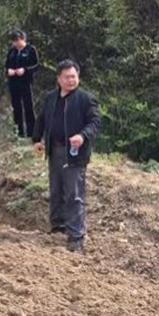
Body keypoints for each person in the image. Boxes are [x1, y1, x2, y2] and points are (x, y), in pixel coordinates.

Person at [32, 60, 101, 252]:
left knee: (74, 193)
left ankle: (76, 236)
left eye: (74, 76)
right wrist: (37, 139)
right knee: (56, 189)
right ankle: (58, 226)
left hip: (75, 153)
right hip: (54, 150)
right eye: (67, 77)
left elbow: (95, 122)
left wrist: (82, 135)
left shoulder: (86, 99)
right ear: (59, 79)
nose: (71, 80)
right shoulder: (51, 98)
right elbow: (42, 119)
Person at [5, 30, 39, 138]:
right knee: (16, 107)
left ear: (23, 39)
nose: (15, 44)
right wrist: (8, 71)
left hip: (25, 82)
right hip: (13, 82)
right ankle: (19, 132)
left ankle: (32, 133)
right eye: (13, 41)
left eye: (17, 41)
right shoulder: (12, 51)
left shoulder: (30, 50)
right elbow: (6, 65)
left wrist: (25, 70)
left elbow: (36, 65)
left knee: (28, 107)